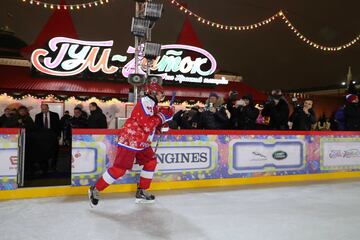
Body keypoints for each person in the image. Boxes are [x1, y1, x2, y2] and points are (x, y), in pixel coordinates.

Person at [88, 82, 174, 206]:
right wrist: (162, 116)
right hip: (130, 140)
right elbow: (146, 123)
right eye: (161, 93)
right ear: (153, 92)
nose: (163, 96)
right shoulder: (145, 102)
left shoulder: (152, 104)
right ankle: (95, 189)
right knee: (119, 170)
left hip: (142, 141)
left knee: (151, 162)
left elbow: (151, 123)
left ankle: (142, 191)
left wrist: (162, 123)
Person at [34, 104, 61, 172]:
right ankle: (44, 167)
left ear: (48, 108)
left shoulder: (55, 115)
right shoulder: (38, 116)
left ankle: (53, 166)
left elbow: (58, 126)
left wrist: (59, 135)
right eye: (42, 109)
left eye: (45, 109)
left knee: (55, 151)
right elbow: (36, 127)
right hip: (43, 137)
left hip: (53, 136)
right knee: (44, 151)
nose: (44, 110)